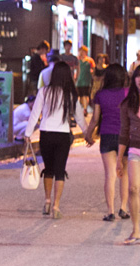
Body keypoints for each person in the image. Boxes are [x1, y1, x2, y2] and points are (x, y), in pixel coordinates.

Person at [24, 64, 88, 219]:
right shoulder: (70, 94)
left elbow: (35, 114)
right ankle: (56, 206)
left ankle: (47, 201)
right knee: (60, 170)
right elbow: (79, 117)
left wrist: (27, 133)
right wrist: (87, 134)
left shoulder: (44, 91)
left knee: (49, 169)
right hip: (63, 135)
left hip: (46, 134)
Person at [84, 64, 129, 221]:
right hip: (125, 136)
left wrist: (88, 135)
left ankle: (110, 211)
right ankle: (123, 208)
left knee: (110, 174)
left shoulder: (100, 94)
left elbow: (95, 119)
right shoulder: (127, 93)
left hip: (107, 135)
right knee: (124, 173)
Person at [118, 66, 140, 243]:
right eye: (138, 76)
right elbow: (124, 133)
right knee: (133, 189)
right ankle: (136, 231)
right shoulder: (128, 104)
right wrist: (119, 159)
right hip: (135, 150)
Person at [76, 46, 95, 112]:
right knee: (80, 95)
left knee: (85, 94)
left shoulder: (90, 60)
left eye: (84, 51)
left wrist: (92, 72)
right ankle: (82, 107)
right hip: (79, 80)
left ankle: (85, 108)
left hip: (86, 80)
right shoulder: (77, 59)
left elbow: (93, 69)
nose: (82, 52)